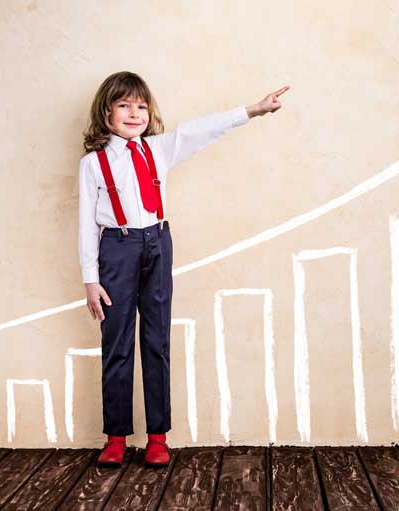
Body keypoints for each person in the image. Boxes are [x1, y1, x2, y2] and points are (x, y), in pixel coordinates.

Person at [78, 71, 289, 467]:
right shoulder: (93, 164)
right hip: (117, 248)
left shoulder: (158, 149)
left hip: (158, 244)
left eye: (141, 106)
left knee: (156, 339)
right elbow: (87, 224)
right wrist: (91, 278)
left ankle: (157, 437)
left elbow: (201, 130)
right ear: (106, 113)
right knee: (117, 343)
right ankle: (115, 437)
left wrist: (254, 110)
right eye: (124, 106)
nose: (134, 114)